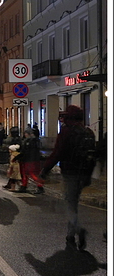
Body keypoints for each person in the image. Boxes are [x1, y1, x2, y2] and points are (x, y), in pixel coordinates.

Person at [40, 105, 96, 251]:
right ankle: (70, 234)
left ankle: (77, 229)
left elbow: (57, 153)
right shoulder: (88, 132)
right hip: (84, 173)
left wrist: (45, 169)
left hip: (70, 172)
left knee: (70, 204)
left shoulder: (66, 131)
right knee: (74, 202)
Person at [13, 127, 44, 194]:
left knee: (31, 174)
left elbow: (25, 151)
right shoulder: (36, 141)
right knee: (28, 173)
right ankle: (24, 186)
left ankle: (39, 186)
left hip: (29, 160)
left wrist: (18, 156)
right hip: (34, 159)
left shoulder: (28, 141)